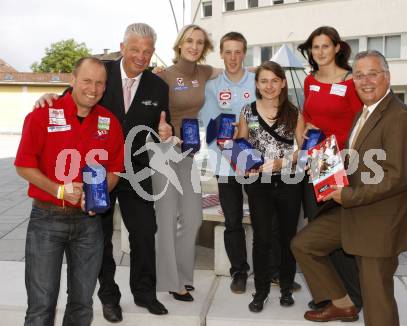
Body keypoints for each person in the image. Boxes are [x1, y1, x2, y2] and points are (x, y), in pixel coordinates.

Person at [34, 23, 173, 322]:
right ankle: (109, 297)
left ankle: (145, 293)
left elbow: (164, 126)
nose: (141, 56)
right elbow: (72, 94)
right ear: (122, 47)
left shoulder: (158, 86)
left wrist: (166, 132)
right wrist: (48, 96)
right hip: (97, 174)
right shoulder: (102, 73)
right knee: (100, 237)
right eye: (135, 49)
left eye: (147, 52)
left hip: (135, 171)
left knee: (145, 232)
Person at [291, 50, 407, 325]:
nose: (365, 81)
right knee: (304, 244)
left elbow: (397, 177)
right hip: (353, 210)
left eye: (372, 74)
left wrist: (349, 196)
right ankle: (342, 305)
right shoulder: (364, 113)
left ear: (387, 78)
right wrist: (322, 164)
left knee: (377, 302)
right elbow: (356, 161)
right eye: (359, 75)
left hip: (380, 220)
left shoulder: (401, 117)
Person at [15, 57, 125, 326]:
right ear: (73, 80)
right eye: (87, 80)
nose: (93, 88)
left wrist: (99, 192)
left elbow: (115, 169)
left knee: (81, 304)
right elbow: (24, 165)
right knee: (41, 306)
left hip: (89, 223)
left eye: (100, 83)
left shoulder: (109, 122)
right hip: (47, 219)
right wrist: (60, 191)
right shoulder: (43, 113)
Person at [297, 26, 363, 310]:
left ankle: (354, 296)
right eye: (315, 47)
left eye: (325, 46)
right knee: (317, 230)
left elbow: (361, 122)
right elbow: (306, 115)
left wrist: (343, 156)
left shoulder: (350, 81)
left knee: (339, 235)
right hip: (317, 161)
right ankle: (330, 294)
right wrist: (303, 137)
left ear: (337, 48)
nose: (320, 52)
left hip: (342, 163)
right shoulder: (310, 81)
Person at [152, 24, 216, 302]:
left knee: (193, 217)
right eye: (189, 41)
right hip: (163, 150)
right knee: (166, 219)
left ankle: (184, 275)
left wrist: (268, 72)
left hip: (187, 151)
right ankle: (170, 280)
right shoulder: (162, 76)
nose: (194, 46)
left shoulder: (203, 72)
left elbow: (236, 72)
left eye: (200, 42)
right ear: (179, 44)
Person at [236, 61, 305, 312]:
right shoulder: (247, 112)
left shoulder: (294, 112)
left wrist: (282, 162)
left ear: (283, 83)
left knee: (287, 238)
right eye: (264, 80)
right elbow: (240, 144)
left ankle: (286, 287)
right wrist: (240, 160)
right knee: (262, 239)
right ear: (257, 84)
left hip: (289, 183)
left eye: (275, 80)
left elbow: (306, 152)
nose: (269, 86)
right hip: (258, 185)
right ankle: (261, 290)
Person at [198, 32, 256, 294]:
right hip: (224, 163)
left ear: (245, 53)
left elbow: (266, 118)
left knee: (265, 219)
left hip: (256, 161)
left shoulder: (257, 82)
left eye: (238, 52)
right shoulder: (211, 85)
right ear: (221, 54)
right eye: (228, 52)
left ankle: (272, 270)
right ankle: (239, 271)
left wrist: (243, 128)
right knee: (232, 220)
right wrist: (230, 132)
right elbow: (211, 125)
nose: (233, 58)